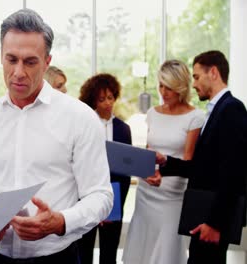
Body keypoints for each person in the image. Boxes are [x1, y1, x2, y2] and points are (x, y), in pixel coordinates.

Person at [0, 8, 113, 264]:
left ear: (47, 61)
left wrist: (61, 222)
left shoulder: (80, 118)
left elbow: (101, 195)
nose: (19, 72)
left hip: (57, 257)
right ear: (0, 56)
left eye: (30, 62)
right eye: (11, 59)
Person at [147, 51, 247, 264]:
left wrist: (215, 223)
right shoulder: (217, 109)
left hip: (212, 219)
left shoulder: (233, 109)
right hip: (203, 215)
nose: (193, 84)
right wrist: (166, 162)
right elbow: (202, 167)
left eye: (196, 76)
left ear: (213, 73)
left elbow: (233, 172)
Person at [122, 60, 205, 264]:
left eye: (169, 87)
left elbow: (188, 161)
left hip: (173, 195)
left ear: (181, 87)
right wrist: (145, 172)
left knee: (166, 252)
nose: (163, 92)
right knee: (143, 249)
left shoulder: (195, 117)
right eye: (160, 85)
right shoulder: (152, 113)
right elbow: (150, 152)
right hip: (147, 192)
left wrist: (163, 174)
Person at [77, 73, 132, 264]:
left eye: (110, 97)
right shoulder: (84, 125)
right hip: (87, 198)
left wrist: (114, 207)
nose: (107, 103)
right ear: (93, 100)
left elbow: (125, 171)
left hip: (115, 198)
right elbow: (80, 168)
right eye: (101, 99)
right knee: (84, 252)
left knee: (109, 254)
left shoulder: (123, 129)